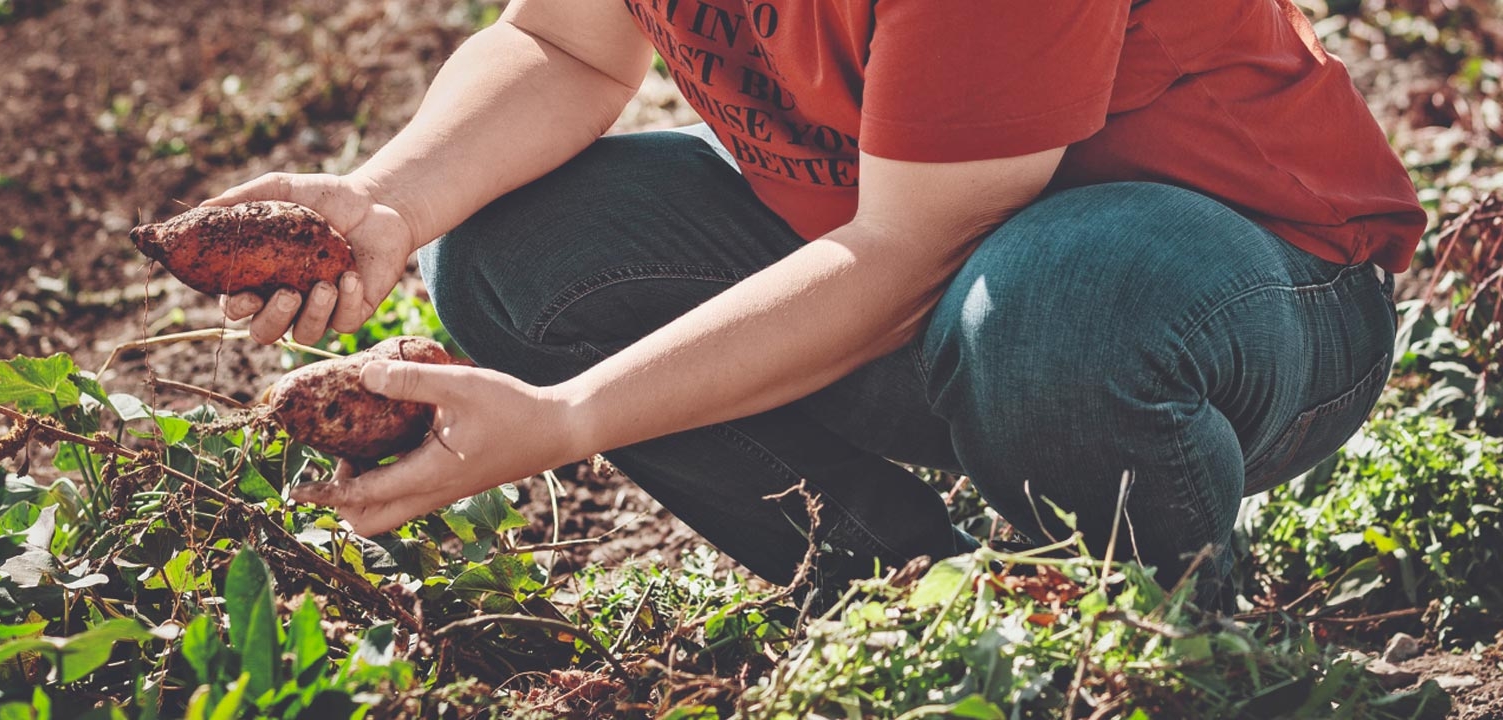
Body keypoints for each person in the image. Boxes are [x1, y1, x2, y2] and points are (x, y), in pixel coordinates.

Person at [197, 0, 1423, 603]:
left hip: (1242, 301)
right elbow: (565, 45)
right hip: (953, 291)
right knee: (512, 254)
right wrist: (390, 203)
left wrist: (569, 418)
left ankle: (1161, 637)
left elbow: (908, 252)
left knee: (1060, 302)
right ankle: (923, 608)